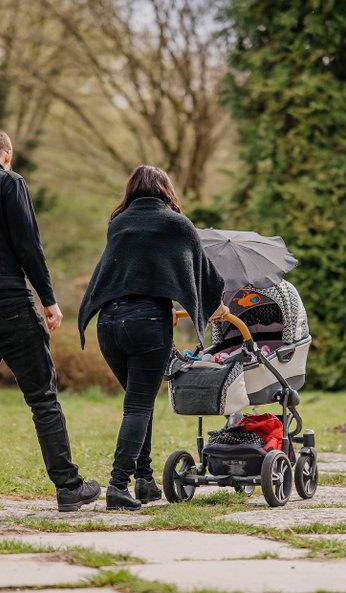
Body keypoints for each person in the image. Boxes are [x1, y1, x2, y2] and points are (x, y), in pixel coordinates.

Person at [0, 129, 100, 520]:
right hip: (11, 305)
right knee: (43, 399)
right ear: (7, 155)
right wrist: (49, 299)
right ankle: (69, 488)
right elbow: (29, 245)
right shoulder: (11, 183)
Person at [78, 165, 228, 510]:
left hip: (109, 325)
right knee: (139, 405)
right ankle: (118, 485)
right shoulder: (177, 224)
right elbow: (203, 273)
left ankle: (144, 480)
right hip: (147, 322)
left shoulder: (118, 225)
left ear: (132, 190)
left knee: (136, 401)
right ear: (166, 189)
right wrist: (215, 308)